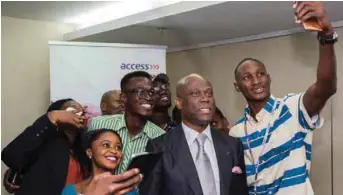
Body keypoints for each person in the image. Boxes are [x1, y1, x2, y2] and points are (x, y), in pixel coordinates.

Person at [229, 2, 338, 195]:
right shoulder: (236, 132)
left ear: (269, 77)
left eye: (260, 74)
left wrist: (327, 36)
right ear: (237, 87)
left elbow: (326, 87)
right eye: (247, 77)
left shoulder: (292, 108)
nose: (256, 81)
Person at [140, 74, 248, 195]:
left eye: (209, 93)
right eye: (196, 94)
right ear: (179, 103)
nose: (205, 99)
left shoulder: (232, 145)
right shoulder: (159, 147)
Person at [1, 99, 89, 195]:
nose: (79, 112)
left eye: (82, 111)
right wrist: (52, 117)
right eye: (72, 109)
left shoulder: (84, 150)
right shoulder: (44, 143)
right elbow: (11, 156)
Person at [88, 71, 165, 174]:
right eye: (141, 92)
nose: (148, 97)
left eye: (151, 92)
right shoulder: (98, 124)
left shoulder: (160, 137)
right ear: (124, 98)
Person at [61, 129, 138, 195]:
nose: (114, 151)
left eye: (118, 147)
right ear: (89, 152)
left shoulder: (127, 191)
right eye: (106, 145)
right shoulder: (69, 191)